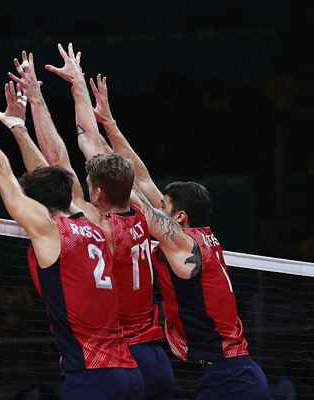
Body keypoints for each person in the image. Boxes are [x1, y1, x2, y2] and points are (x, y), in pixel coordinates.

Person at [0, 71, 143, 399]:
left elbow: (1, 173)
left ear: (38, 205)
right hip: (129, 371)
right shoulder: (93, 220)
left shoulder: (49, 229)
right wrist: (18, 128)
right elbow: (52, 177)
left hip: (91, 377)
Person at [85, 73, 269, 399]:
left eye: (164, 206)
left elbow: (131, 193)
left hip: (232, 378)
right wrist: (109, 122)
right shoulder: (194, 236)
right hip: (227, 373)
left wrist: (99, 150)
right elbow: (141, 178)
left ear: (179, 217)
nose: (158, 207)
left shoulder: (185, 243)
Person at [8, 44, 174, 399]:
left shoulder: (98, 225)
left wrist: (35, 99)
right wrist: (78, 85)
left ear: (97, 193)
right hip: (157, 356)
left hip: (122, 356)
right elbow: (91, 139)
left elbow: (56, 165)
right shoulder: (144, 213)